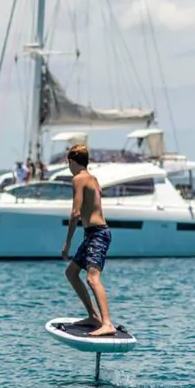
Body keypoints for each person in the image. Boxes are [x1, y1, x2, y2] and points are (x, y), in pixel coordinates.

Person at [61, 144, 116, 337]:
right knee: (72, 272)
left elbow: (75, 212)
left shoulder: (78, 179)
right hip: (95, 233)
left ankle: (107, 323)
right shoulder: (93, 179)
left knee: (92, 278)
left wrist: (67, 243)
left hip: (97, 234)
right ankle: (93, 316)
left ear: (72, 161)